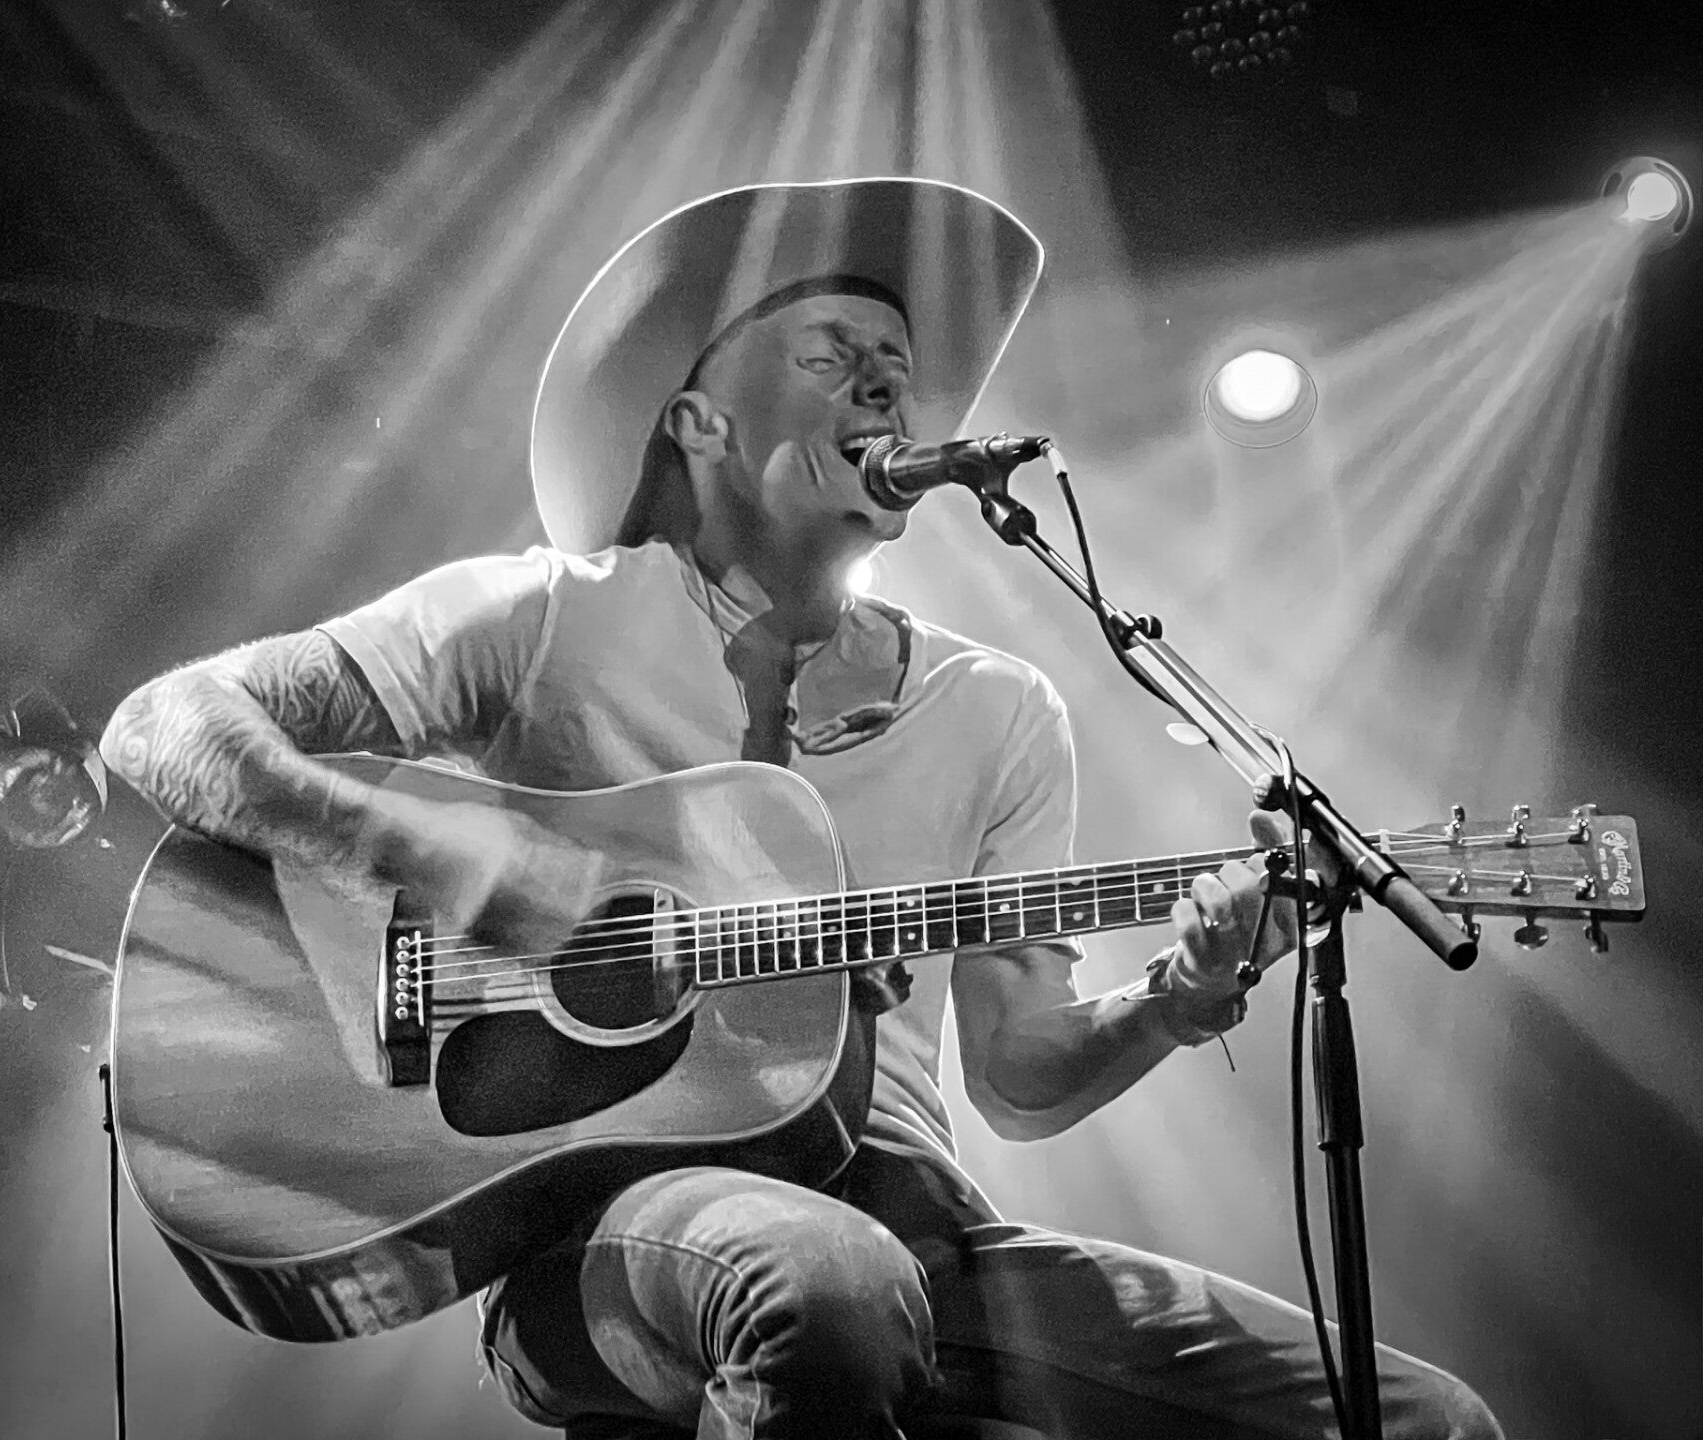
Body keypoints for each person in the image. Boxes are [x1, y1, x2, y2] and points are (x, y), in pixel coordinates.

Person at [100, 179, 1500, 1440]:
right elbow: (162, 726)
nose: (887, 385)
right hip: (595, 1236)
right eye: (833, 354)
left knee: (1424, 1420)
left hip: (918, 1224)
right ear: (698, 420)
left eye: (900, 365)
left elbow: (1017, 1075)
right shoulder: (542, 615)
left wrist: (1179, 998)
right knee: (827, 1288)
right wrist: (428, 850)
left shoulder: (998, 708)